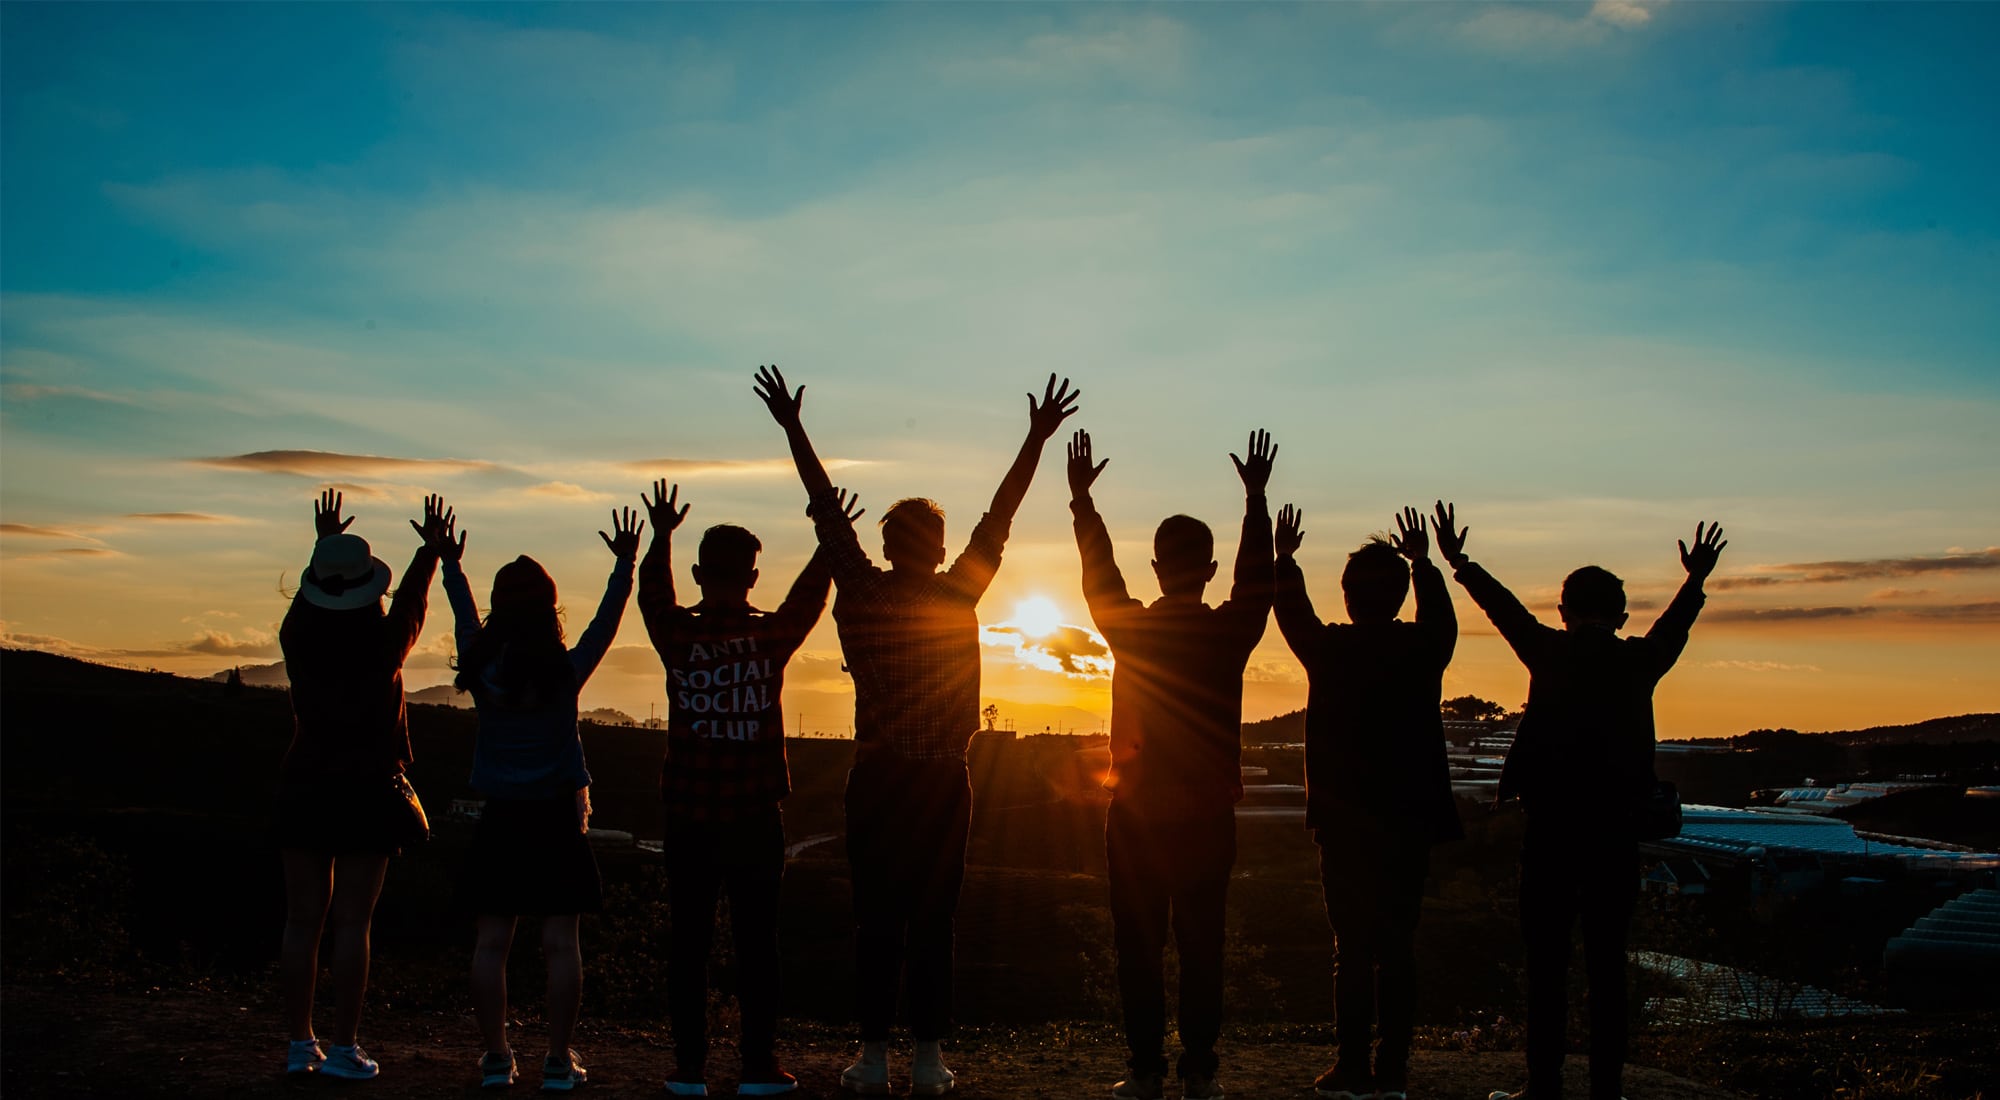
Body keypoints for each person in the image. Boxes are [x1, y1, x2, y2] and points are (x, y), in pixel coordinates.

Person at [756, 364, 1079, 1097]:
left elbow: (823, 510)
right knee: (934, 920)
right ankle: (929, 1058)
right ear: (936, 547)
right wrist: (1034, 437)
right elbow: (1001, 515)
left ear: (889, 542)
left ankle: (872, 1057)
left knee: (876, 920)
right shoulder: (958, 591)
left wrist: (793, 427)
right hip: (940, 783)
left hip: (876, 779)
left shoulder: (862, 590)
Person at [1436, 505, 1726, 1100]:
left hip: (1550, 832)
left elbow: (1503, 609)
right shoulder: (1638, 660)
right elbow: (1674, 626)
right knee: (1607, 968)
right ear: (1621, 616)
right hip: (1615, 835)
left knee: (1545, 967)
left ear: (1562, 612)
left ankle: (1542, 1088)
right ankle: (1606, 1091)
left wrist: (1461, 563)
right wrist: (1694, 580)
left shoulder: (1549, 652)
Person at [1065, 427, 1276, 1100]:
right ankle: (1200, 1072)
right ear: (1208, 568)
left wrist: (1082, 505)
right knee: (1202, 945)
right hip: (1209, 816)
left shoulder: (1131, 629)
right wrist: (1256, 503)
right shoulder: (1228, 633)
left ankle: (1145, 1068)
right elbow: (1258, 584)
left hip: (1135, 813)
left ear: (1156, 568)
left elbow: (1100, 577)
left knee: (1139, 948)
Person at [434, 505, 644, 1093]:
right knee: (560, 944)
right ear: (550, 610)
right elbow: (606, 621)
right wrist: (625, 564)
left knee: (492, 942)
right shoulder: (565, 670)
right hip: (557, 818)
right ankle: (557, 1059)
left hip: (500, 817)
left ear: (501, 609)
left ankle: (496, 1059)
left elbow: (463, 614)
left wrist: (450, 562)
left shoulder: (481, 668)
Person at [635, 480, 835, 1097]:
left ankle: (688, 1068)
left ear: (699, 573)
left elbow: (653, 593)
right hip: (753, 816)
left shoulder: (676, 636)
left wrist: (661, 535)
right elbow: (808, 599)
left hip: (688, 816)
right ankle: (757, 1066)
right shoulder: (770, 638)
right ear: (752, 577)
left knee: (689, 944)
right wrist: (828, 541)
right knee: (757, 946)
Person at [1271, 506, 1460, 1100]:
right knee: (1397, 947)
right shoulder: (1423, 649)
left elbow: (1291, 613)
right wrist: (1425, 563)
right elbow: (1443, 621)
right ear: (1401, 595)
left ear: (1348, 597)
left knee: (1350, 948)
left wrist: (1284, 560)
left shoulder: (1330, 651)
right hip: (1408, 822)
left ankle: (1351, 1066)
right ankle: (1393, 1071)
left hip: (1344, 823)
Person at [274, 489, 448, 1080]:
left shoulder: (296, 638)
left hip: (305, 780)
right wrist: (430, 550)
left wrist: (325, 546)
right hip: (368, 787)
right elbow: (414, 606)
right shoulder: (383, 645)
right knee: (353, 922)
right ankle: (345, 1047)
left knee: (302, 921)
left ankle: (300, 1045)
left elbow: (314, 600)